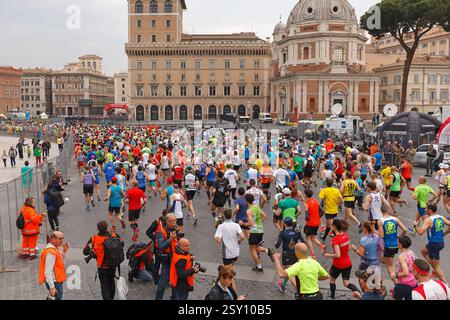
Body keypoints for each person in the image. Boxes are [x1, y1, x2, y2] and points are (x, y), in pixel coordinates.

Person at [83, 221, 124, 300]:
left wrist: (91, 251)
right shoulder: (114, 235)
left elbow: (85, 251)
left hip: (102, 267)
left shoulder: (94, 238)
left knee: (104, 285)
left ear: (98, 229)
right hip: (112, 265)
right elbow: (122, 244)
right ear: (107, 227)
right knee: (111, 281)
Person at [323, 219, 362, 299]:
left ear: (334, 227)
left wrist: (327, 255)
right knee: (346, 282)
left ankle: (332, 297)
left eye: (332, 225)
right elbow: (348, 249)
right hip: (347, 263)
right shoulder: (346, 236)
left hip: (338, 264)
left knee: (332, 280)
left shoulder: (335, 239)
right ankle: (357, 291)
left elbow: (337, 255)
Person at [415, 203, 450, 284]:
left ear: (430, 210)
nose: (425, 210)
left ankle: (446, 284)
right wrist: (445, 233)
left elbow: (420, 232)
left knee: (436, 266)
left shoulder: (429, 220)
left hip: (434, 244)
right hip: (440, 242)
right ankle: (435, 269)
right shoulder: (441, 217)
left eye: (426, 209)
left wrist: (415, 226)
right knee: (423, 251)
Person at [377, 205, 409, 282]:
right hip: (396, 244)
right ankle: (384, 259)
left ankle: (397, 283)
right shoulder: (395, 219)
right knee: (386, 260)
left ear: (381, 211)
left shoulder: (380, 221)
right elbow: (405, 229)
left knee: (389, 267)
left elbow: (381, 236)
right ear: (388, 211)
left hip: (388, 245)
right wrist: (399, 237)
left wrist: (374, 231)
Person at [155, 213, 182, 300]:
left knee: (175, 283)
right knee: (162, 284)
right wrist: (170, 240)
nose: (174, 223)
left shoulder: (177, 229)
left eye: (175, 220)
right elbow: (161, 246)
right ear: (167, 221)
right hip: (167, 261)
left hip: (176, 260)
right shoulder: (161, 232)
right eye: (172, 221)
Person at [244, 193, 273, 273]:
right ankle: (267, 251)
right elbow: (265, 216)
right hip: (260, 230)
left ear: (246, 201)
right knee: (256, 247)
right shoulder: (256, 206)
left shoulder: (248, 211)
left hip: (254, 231)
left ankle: (259, 267)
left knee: (252, 249)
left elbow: (250, 223)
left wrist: (242, 224)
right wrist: (259, 223)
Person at [275, 218, 305, 292]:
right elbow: (303, 242)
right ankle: (283, 286)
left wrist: (277, 240)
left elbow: (277, 246)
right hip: (295, 254)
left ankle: (301, 292)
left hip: (286, 255)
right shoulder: (297, 231)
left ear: (284, 224)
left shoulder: (283, 232)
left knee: (290, 273)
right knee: (289, 271)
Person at [38, 231, 69, 300]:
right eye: (60, 239)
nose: (62, 241)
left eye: (63, 238)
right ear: (53, 239)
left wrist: (64, 251)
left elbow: (59, 261)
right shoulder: (51, 252)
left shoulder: (55, 248)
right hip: (55, 283)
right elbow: (48, 271)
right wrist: (52, 287)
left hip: (57, 281)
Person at [392, 235, 417, 300]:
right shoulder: (411, 252)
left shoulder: (402, 256)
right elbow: (416, 265)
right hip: (413, 283)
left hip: (404, 284)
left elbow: (406, 273)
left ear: (401, 244)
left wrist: (395, 275)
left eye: (398, 242)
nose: (397, 243)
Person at [319, 178, 343, 242]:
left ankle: (339, 238)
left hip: (328, 211)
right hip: (335, 210)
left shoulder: (324, 190)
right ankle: (324, 237)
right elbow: (341, 201)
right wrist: (336, 203)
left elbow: (320, 198)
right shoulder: (336, 190)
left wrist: (321, 190)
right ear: (332, 183)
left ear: (326, 183)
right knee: (328, 225)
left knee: (330, 226)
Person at [303, 189, 325, 259]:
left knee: (308, 238)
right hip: (317, 223)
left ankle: (313, 255)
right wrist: (318, 217)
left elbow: (306, 217)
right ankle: (321, 245)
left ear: (306, 195)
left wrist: (306, 210)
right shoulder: (316, 202)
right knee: (313, 237)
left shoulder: (306, 203)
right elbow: (322, 211)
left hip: (310, 223)